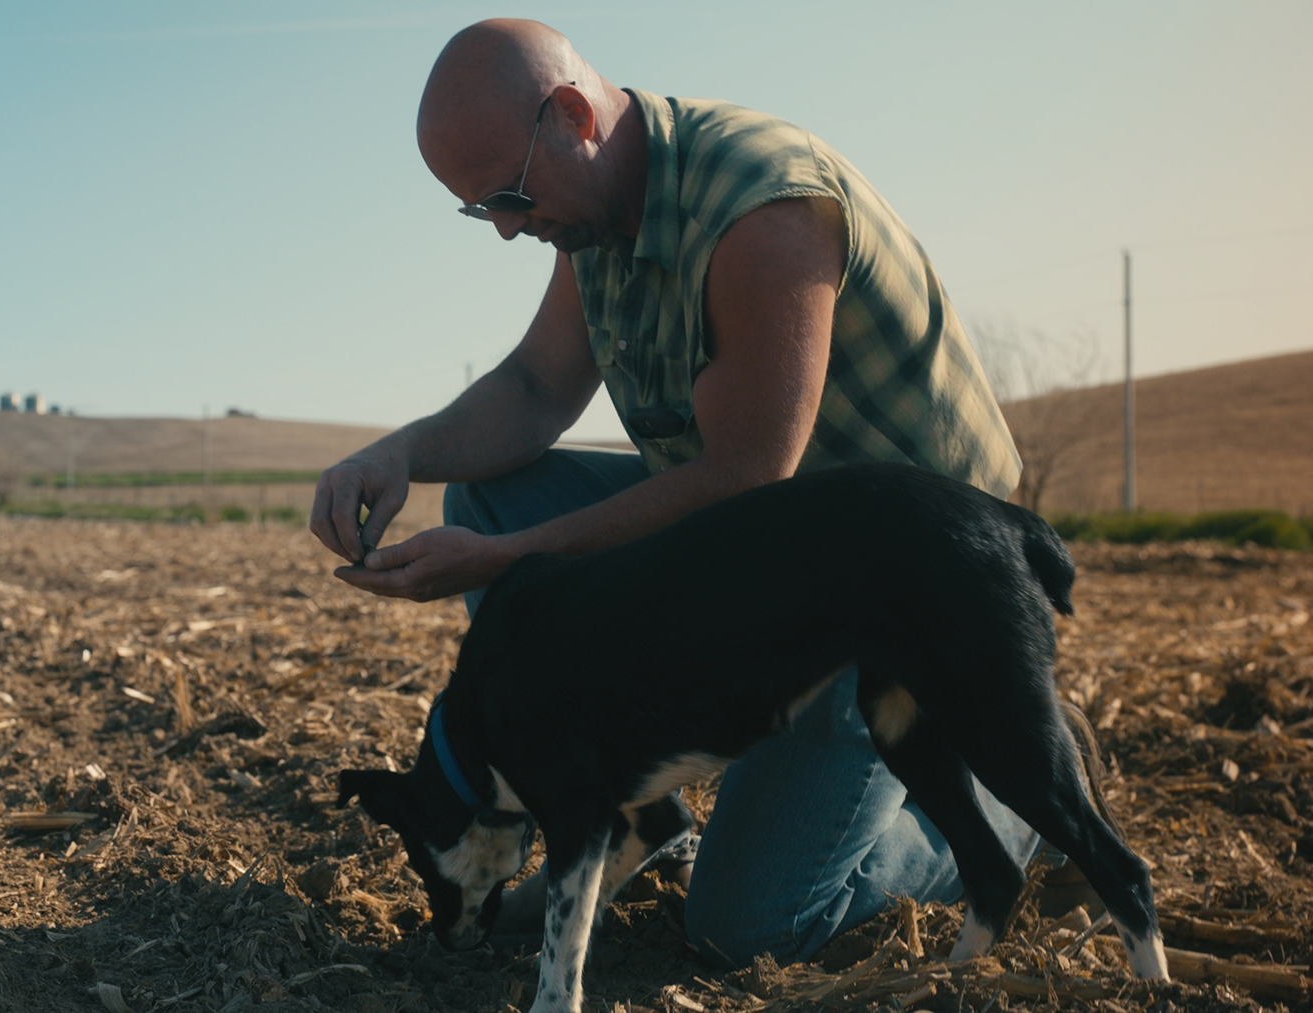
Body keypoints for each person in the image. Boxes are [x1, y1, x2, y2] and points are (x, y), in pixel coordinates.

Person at [310, 18, 1034, 967]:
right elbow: (533, 391)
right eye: (478, 209)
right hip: (771, 554)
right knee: (488, 499)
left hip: (905, 588)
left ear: (571, 117)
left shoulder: (762, 209)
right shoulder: (596, 215)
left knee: (750, 926)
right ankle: (640, 815)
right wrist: (400, 453)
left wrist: (504, 563)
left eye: (508, 197)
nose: (506, 228)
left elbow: (742, 479)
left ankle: (1011, 816)